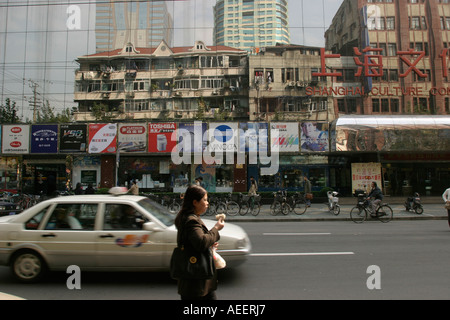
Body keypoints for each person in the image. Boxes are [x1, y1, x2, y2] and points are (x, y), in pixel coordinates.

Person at [174, 185, 224, 300]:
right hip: (196, 279)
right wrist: (216, 229)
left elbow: (195, 241)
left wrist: (209, 243)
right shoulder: (191, 220)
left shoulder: (189, 217)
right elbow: (201, 242)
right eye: (205, 200)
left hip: (196, 278)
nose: (207, 203)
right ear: (195, 202)